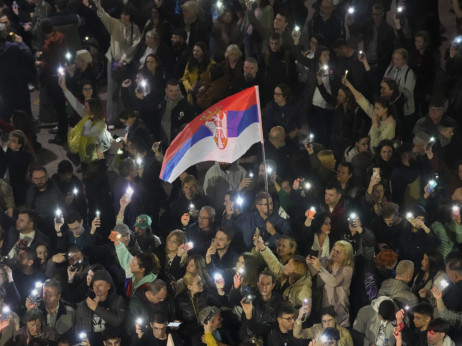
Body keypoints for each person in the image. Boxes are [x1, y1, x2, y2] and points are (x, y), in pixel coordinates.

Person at [94, 0, 141, 126]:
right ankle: (112, 119)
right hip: (113, 61)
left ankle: (127, 119)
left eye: (126, 14)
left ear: (130, 15)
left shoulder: (134, 28)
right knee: (112, 92)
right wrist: (98, 5)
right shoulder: (115, 24)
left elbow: (135, 46)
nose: (123, 16)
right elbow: (105, 17)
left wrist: (124, 59)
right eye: (122, 14)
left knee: (126, 92)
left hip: (126, 64)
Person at [254, 236, 312, 308]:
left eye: (289, 264)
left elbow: (305, 312)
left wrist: (291, 317)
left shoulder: (303, 290)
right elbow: (274, 264)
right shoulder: (286, 274)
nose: (286, 265)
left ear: (297, 269)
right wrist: (262, 247)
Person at [307, 240, 354, 327]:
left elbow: (334, 282)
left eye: (338, 252)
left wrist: (320, 269)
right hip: (325, 306)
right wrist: (310, 264)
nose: (334, 253)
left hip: (339, 311)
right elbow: (314, 274)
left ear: (346, 255)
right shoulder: (326, 261)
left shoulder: (347, 269)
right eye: (333, 249)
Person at [74, 269, 126, 346]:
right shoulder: (85, 304)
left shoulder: (117, 301)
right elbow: (78, 328)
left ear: (108, 286)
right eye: (94, 285)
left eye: (100, 285)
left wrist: (96, 308)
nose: (97, 288)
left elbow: (118, 321)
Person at [241, 300, 306, 346]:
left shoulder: (297, 332)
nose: (293, 321)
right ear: (279, 319)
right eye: (288, 319)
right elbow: (254, 327)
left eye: (293, 318)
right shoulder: (270, 330)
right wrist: (248, 315)